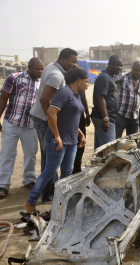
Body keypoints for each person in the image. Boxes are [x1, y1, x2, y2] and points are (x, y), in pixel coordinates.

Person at [24, 68, 88, 213]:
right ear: (78, 80)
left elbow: (70, 118)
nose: (88, 84)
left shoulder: (77, 94)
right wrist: (57, 136)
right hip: (58, 141)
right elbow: (51, 114)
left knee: (67, 173)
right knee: (50, 171)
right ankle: (30, 202)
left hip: (71, 141)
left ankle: (62, 204)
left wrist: (80, 134)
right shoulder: (64, 92)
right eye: (86, 81)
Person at [29, 48, 78, 203]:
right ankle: (48, 195)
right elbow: (45, 100)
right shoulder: (57, 75)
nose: (75, 65)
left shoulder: (54, 66)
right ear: (63, 60)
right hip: (44, 118)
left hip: (43, 116)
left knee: (49, 154)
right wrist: (52, 122)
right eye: (73, 61)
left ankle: (50, 192)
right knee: (49, 155)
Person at [0, 58, 44, 197]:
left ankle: (29, 179)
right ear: (29, 67)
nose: (41, 71)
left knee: (31, 154)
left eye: (42, 69)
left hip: (31, 125)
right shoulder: (13, 78)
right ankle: (3, 185)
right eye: (38, 69)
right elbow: (3, 98)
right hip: (11, 122)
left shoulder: (42, 82)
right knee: (7, 154)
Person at [91, 55, 122, 149]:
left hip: (108, 118)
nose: (119, 68)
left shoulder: (110, 77)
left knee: (101, 150)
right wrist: (105, 118)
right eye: (116, 65)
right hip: (104, 118)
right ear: (109, 64)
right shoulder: (104, 78)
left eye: (120, 65)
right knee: (109, 151)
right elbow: (100, 98)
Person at [115, 61, 140, 138]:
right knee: (116, 140)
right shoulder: (123, 76)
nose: (138, 72)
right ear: (132, 69)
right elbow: (109, 80)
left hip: (135, 116)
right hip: (121, 115)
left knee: (132, 142)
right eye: (136, 70)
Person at [72, 90, 90, 174]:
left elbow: (84, 98)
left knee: (80, 147)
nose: (87, 84)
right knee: (72, 148)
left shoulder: (81, 88)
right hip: (71, 120)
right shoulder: (68, 88)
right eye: (86, 81)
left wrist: (87, 114)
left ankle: (77, 171)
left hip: (81, 120)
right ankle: (71, 173)